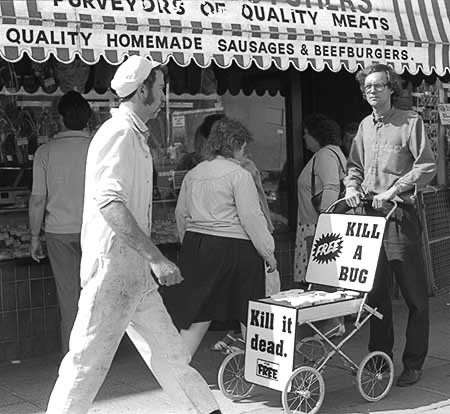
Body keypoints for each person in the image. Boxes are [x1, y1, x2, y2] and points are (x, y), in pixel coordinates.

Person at [45, 56, 221, 414]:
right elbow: (109, 203)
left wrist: (148, 262)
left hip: (134, 273)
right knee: (87, 362)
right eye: (159, 87)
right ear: (143, 90)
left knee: (171, 355)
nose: (162, 95)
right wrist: (156, 258)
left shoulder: (133, 134)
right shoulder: (121, 134)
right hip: (113, 271)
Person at [344, 63, 436, 387]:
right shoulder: (364, 127)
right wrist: (351, 187)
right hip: (369, 219)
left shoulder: (410, 121)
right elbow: (353, 165)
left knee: (415, 297)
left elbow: (427, 166)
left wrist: (395, 188)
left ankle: (413, 363)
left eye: (378, 86)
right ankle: (379, 362)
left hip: (400, 216)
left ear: (391, 89)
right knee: (374, 295)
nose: (372, 91)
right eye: (367, 87)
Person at [161, 117, 277, 357]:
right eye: (244, 146)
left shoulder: (193, 174)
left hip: (196, 244)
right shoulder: (239, 175)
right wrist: (268, 252)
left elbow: (180, 214)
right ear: (235, 145)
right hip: (235, 248)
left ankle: (177, 369)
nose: (245, 152)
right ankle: (261, 365)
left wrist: (191, 244)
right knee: (250, 309)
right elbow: (251, 219)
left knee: (198, 311)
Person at [29, 91, 92, 354]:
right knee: (96, 297)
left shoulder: (45, 152)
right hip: (95, 232)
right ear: (88, 118)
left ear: (60, 119)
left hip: (58, 233)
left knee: (70, 300)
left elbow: (37, 199)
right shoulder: (98, 147)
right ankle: (97, 356)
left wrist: (34, 237)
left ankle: (73, 358)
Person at [293, 114, 347, 337]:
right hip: (321, 222)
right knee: (326, 275)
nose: (304, 137)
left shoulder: (324, 154)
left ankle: (331, 322)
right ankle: (333, 322)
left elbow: (332, 185)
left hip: (316, 224)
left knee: (320, 276)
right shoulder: (335, 152)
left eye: (306, 133)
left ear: (315, 135)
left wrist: (326, 218)